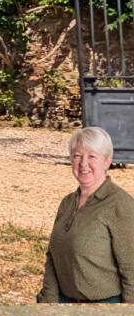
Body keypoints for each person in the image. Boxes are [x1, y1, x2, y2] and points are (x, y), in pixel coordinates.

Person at [38, 127, 134, 303]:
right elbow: (53, 256)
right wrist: (49, 302)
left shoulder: (120, 204)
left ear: (107, 161)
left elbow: (131, 268)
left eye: (92, 156)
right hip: (65, 304)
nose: (83, 164)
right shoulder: (67, 203)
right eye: (77, 156)